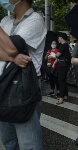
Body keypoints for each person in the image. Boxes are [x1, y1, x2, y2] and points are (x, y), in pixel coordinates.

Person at [0, 0, 46, 149]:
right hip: (3, 84)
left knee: (28, 144)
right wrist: (12, 58)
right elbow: (12, 53)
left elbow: (13, 47)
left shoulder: (35, 20)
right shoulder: (5, 21)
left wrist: (11, 53)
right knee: (9, 142)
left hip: (24, 86)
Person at [55, 33, 71, 104]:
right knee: (63, 80)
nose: (58, 39)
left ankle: (61, 98)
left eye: (59, 38)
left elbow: (57, 55)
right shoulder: (66, 45)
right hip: (65, 65)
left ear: (61, 38)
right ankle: (65, 95)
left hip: (62, 66)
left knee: (61, 80)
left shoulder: (63, 45)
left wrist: (54, 55)